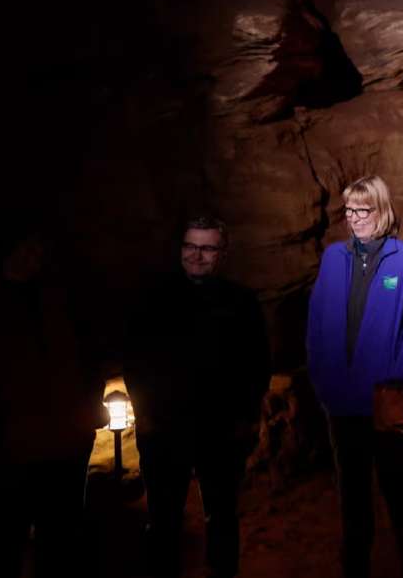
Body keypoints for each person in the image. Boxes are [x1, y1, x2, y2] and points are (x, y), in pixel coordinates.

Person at [0, 227, 101, 578]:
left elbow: (88, 358)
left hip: (61, 448)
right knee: (1, 548)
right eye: (23, 251)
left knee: (60, 544)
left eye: (37, 252)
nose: (31, 259)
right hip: (4, 454)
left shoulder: (58, 300)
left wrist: (85, 413)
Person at [124, 216, 269, 578]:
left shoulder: (242, 303)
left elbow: (257, 363)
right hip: (164, 428)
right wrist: (145, 412)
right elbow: (134, 360)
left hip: (219, 429)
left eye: (207, 248)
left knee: (221, 515)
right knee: (163, 516)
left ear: (222, 253)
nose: (197, 255)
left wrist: (246, 416)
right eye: (190, 246)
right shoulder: (153, 299)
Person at [306, 175, 403, 578]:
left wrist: (396, 379)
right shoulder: (333, 258)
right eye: (349, 210)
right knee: (352, 493)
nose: (355, 218)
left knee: (400, 489)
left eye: (363, 210)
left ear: (381, 211)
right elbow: (316, 325)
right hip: (341, 402)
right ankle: (355, 567)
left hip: (387, 400)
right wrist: (323, 383)